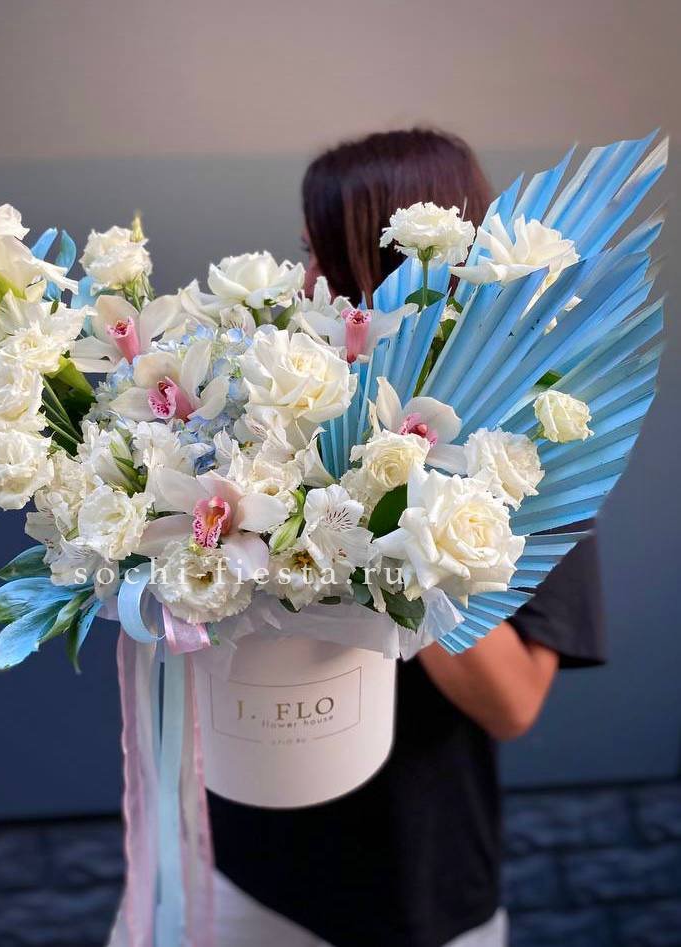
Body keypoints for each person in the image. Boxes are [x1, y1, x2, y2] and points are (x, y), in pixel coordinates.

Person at [207, 129, 606, 947]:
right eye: (304, 253)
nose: (307, 282)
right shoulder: (268, 405)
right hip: (249, 864)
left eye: (325, 257)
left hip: (421, 887)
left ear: (392, 268)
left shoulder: (525, 447)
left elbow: (512, 702)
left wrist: (398, 526)